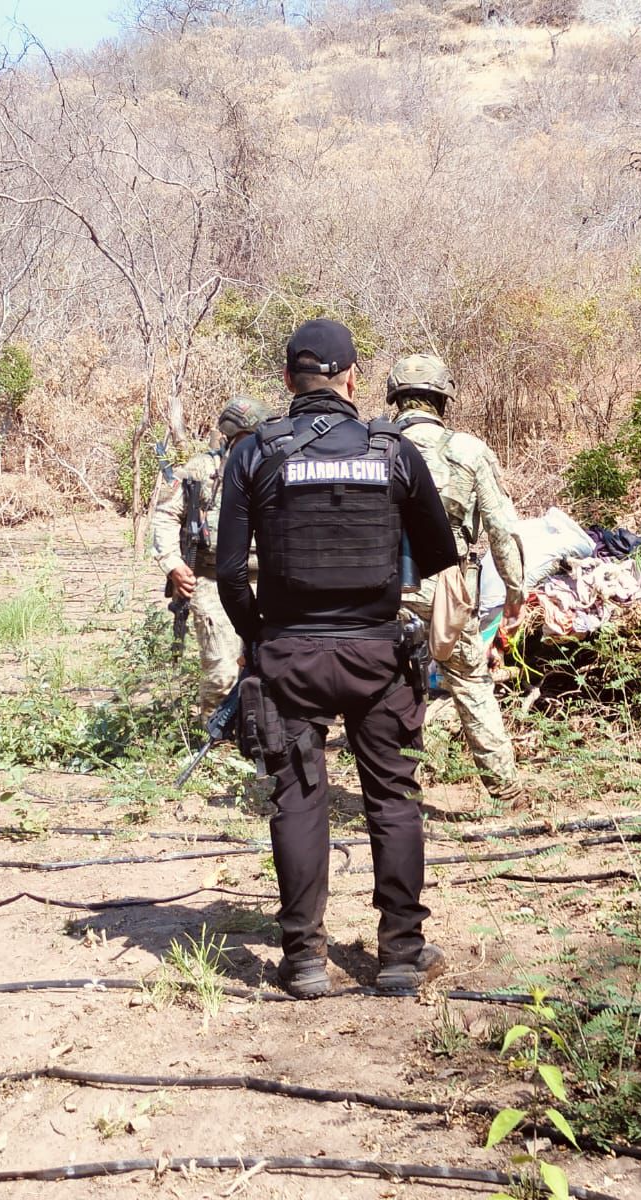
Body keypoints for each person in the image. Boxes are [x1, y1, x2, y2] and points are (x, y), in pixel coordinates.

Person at [216, 319, 459, 999]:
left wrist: (263, 638)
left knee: (296, 798)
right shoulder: (393, 449)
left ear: (291, 382)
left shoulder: (254, 453)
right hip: (379, 655)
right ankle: (402, 955)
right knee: (394, 798)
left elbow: (230, 572)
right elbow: (438, 555)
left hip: (289, 652)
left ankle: (303, 960)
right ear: (353, 378)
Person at [385, 353, 526, 805]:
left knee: (387, 685)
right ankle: (506, 792)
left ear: (397, 399)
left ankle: (395, 791)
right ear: (441, 399)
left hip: (378, 584)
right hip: (446, 583)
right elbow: (502, 528)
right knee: (470, 682)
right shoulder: (467, 449)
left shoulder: (372, 443)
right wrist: (515, 591)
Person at [150, 397, 271, 716]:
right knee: (223, 673)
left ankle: (259, 735)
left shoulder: (273, 468)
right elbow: (165, 515)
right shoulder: (201, 470)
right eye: (248, 439)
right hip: (212, 580)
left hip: (267, 583)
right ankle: (215, 737)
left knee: (271, 666)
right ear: (230, 436)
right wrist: (173, 564)